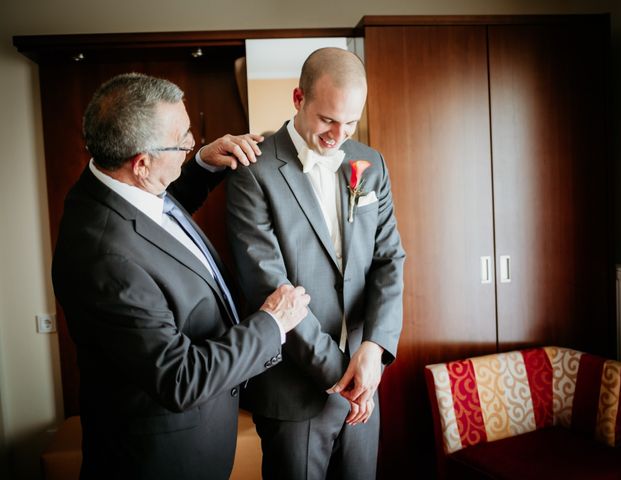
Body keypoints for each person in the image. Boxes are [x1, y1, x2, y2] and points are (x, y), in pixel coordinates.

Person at [51, 72, 311, 480]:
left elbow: (158, 225)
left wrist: (203, 164)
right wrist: (272, 324)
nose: (192, 143)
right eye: (183, 138)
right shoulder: (103, 258)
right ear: (141, 163)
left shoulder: (109, 185)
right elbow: (180, 377)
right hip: (160, 461)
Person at [226, 47, 405, 479]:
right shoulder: (254, 171)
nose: (338, 135)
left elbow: (388, 259)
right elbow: (269, 285)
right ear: (298, 98)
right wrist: (345, 375)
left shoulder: (371, 163)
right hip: (294, 392)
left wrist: (373, 350)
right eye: (327, 119)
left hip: (364, 386)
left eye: (350, 122)